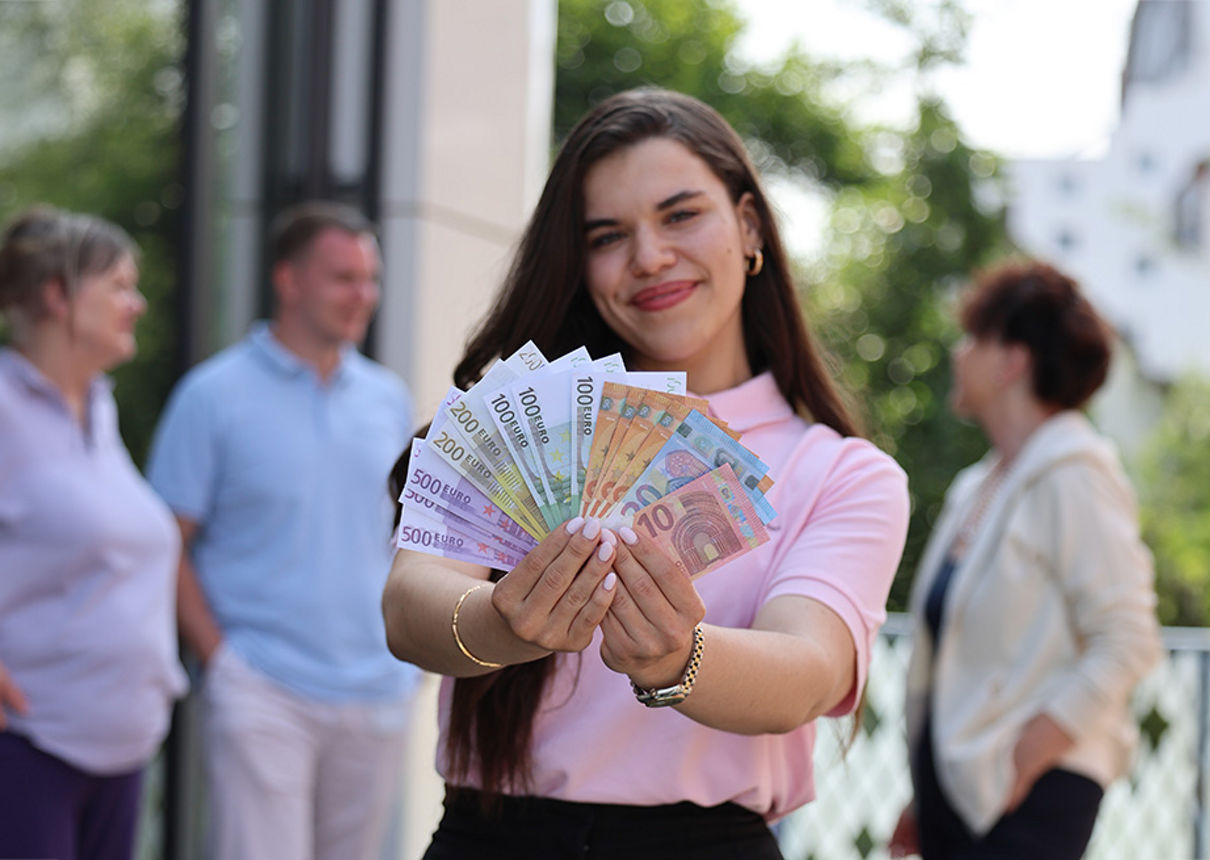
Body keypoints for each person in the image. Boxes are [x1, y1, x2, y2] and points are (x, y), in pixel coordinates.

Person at [381, 87, 910, 859]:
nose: (650, 257)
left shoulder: (840, 472)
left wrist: (676, 661)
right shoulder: (521, 417)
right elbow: (407, 605)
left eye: (680, 215)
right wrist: (506, 622)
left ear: (750, 225)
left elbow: (810, 673)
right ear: (578, 263)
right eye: (607, 235)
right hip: (491, 838)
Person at [146, 201, 418, 860]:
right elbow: (162, 541)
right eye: (344, 278)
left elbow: (405, 535)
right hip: (263, 687)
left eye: (370, 278)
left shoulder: (388, 398)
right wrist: (223, 661)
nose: (364, 296)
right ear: (289, 281)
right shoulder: (212, 395)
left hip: (376, 691)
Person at [0, 206, 186, 860]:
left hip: (116, 752)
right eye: (119, 286)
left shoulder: (98, 409)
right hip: (13, 748)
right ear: (56, 294)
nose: (138, 303)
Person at [888, 261, 1163, 860]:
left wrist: (1037, 745)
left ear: (1012, 360)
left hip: (1031, 793)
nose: (957, 355)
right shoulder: (977, 486)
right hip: (965, 793)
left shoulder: (1075, 472)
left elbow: (1128, 636)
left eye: (972, 340)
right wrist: (928, 791)